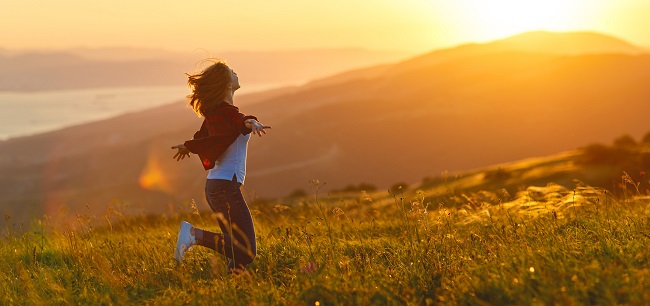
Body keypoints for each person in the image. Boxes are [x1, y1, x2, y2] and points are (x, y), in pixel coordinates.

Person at [172, 60, 271, 273]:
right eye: (232, 72)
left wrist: (188, 146)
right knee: (247, 249)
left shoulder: (218, 113)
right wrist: (253, 122)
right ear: (227, 84)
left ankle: (236, 285)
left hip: (217, 188)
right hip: (225, 189)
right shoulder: (227, 112)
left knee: (236, 248)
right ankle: (193, 235)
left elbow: (206, 137)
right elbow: (240, 121)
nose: (236, 72)